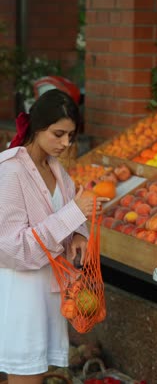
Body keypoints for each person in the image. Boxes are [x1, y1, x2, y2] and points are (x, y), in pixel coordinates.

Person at [0, 89, 108, 384]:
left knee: (39, 373)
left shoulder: (55, 168)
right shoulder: (9, 171)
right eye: (58, 134)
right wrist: (74, 214)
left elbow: (70, 213)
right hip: (22, 293)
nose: (66, 143)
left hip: (52, 289)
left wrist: (79, 235)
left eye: (71, 136)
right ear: (37, 127)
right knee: (26, 377)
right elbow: (11, 247)